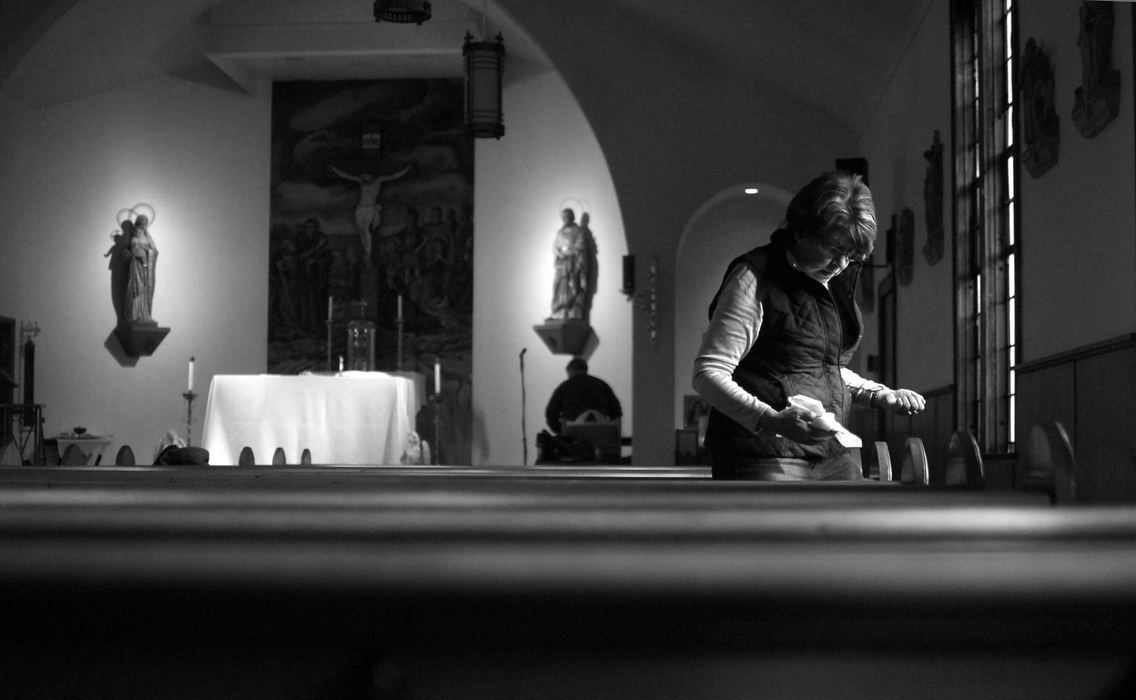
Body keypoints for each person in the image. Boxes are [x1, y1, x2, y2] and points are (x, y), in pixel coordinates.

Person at [692, 171, 925, 481]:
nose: (841, 265)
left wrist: (880, 393)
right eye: (833, 249)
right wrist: (773, 420)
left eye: (851, 255)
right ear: (801, 231)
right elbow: (708, 374)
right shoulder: (755, 277)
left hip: (831, 453)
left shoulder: (834, 284)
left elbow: (822, 367)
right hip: (763, 455)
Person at [545, 357, 622, 434]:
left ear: (570, 370)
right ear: (586, 369)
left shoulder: (564, 387)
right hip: (600, 435)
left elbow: (551, 412)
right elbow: (617, 411)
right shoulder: (602, 385)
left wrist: (560, 431)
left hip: (572, 436)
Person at [549, 208, 590, 320]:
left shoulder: (578, 231)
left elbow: (580, 245)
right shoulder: (560, 232)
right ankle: (558, 310)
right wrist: (560, 253)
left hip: (572, 263)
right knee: (556, 285)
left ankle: (571, 311)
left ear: (572, 217)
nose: (565, 219)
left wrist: (572, 252)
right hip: (561, 263)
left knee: (572, 287)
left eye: (567, 216)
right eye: (563, 217)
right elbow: (555, 247)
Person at [125, 214, 158, 325]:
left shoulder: (147, 236)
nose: (144, 225)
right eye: (142, 223)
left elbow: (154, 250)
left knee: (145, 289)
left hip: (146, 268)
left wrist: (148, 253)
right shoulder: (134, 234)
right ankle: (135, 315)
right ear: (138, 222)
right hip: (136, 266)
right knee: (137, 288)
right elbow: (131, 248)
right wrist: (139, 252)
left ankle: (145, 315)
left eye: (145, 223)